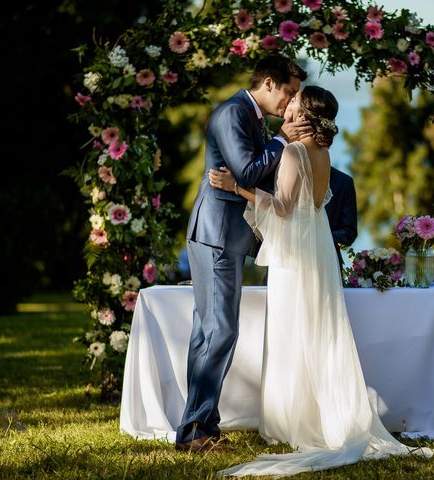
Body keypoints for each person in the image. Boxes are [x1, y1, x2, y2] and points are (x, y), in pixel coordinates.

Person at [208, 86, 433, 476]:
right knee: (317, 330)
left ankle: (297, 420)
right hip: (317, 252)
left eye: (294, 101)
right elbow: (310, 208)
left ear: (305, 111)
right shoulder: (323, 153)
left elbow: (281, 209)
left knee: (294, 331)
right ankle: (314, 413)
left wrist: (237, 188)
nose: (288, 103)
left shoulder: (295, 152)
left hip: (296, 259)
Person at [175, 56, 310, 452]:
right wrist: (283, 139)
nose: (290, 102)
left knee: (208, 331)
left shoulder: (253, 118)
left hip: (225, 235)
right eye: (288, 92)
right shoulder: (233, 113)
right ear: (268, 83)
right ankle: (195, 430)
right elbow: (248, 171)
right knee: (220, 330)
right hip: (217, 233)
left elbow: (254, 177)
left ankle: (202, 426)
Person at [326, 167, 358, 268]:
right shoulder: (289, 173)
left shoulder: (343, 181)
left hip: (328, 263)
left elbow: (349, 232)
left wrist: (321, 237)